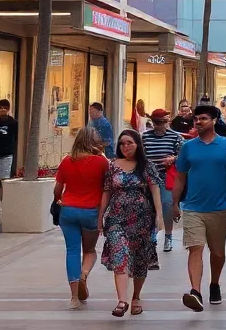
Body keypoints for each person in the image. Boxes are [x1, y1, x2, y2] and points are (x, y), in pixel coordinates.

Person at [173, 105, 226, 311]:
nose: (198, 121)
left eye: (203, 118)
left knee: (217, 253)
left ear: (214, 120)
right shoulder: (188, 147)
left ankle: (214, 284)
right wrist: (175, 203)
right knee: (195, 248)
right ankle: (195, 291)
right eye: (196, 118)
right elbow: (180, 177)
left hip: (220, 207)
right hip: (193, 207)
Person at [100, 130, 164, 317]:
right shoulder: (112, 166)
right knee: (120, 256)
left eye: (129, 143)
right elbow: (106, 191)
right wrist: (100, 215)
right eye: (122, 144)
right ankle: (122, 301)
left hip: (142, 220)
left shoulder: (146, 166)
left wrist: (159, 216)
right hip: (116, 219)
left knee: (139, 260)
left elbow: (155, 190)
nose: (125, 147)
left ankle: (136, 297)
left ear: (137, 144)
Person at [54, 126, 109, 309]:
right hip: (90, 212)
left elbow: (58, 188)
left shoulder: (67, 161)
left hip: (68, 210)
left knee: (71, 250)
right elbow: (106, 189)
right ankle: (84, 274)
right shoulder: (101, 162)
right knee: (90, 250)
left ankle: (74, 298)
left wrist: (58, 200)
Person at [142, 109, 184, 253]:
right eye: (156, 122)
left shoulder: (175, 137)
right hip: (149, 177)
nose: (159, 126)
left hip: (166, 176)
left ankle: (168, 236)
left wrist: (173, 158)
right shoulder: (145, 137)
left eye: (163, 122)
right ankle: (152, 236)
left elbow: (183, 155)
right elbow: (141, 155)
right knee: (149, 207)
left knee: (167, 205)